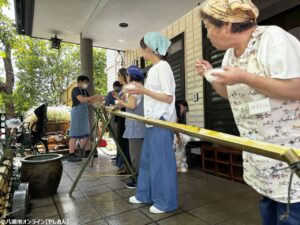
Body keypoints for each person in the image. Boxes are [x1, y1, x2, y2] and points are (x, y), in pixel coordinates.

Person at [196, 0, 300, 224]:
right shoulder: (230, 55)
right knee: (269, 210)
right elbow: (230, 94)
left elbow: (296, 88)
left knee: (291, 213)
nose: (208, 36)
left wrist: (245, 77)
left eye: (208, 28)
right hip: (260, 156)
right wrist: (209, 75)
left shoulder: (272, 38)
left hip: (290, 156)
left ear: (225, 25)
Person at [126, 32, 178, 214]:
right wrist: (140, 91)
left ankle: (165, 202)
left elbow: (168, 97)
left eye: (142, 48)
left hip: (161, 121)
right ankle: (144, 195)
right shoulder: (155, 68)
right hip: (151, 122)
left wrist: (143, 91)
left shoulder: (163, 67)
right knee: (147, 161)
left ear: (149, 48)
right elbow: (154, 95)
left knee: (161, 163)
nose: (142, 52)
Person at [116, 65, 145, 189]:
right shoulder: (140, 86)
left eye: (126, 75)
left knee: (135, 155)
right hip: (141, 125)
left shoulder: (132, 87)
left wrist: (120, 102)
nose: (126, 77)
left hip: (134, 125)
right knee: (140, 154)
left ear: (130, 76)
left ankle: (139, 180)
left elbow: (132, 105)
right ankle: (141, 178)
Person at [68, 75, 103, 162]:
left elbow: (90, 102)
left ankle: (87, 152)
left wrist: (99, 99)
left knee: (86, 134)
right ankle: (71, 154)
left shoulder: (84, 91)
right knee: (74, 134)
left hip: (83, 115)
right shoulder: (75, 90)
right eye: (85, 82)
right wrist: (94, 96)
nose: (86, 84)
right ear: (80, 82)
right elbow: (82, 100)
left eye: (87, 83)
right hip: (76, 114)